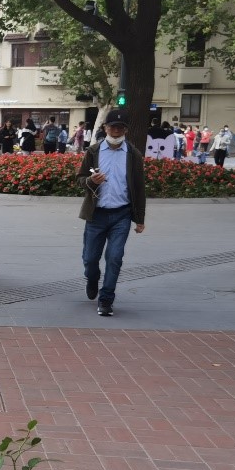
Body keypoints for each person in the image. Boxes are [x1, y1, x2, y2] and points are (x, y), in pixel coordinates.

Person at [78, 109, 147, 317]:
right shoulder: (94, 151)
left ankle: (106, 299)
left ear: (126, 130)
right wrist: (91, 180)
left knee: (115, 257)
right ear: (105, 128)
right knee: (90, 259)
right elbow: (80, 178)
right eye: (112, 126)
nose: (116, 130)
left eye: (120, 127)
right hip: (96, 214)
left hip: (121, 214)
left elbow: (139, 188)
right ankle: (92, 278)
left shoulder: (133, 154)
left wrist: (139, 219)